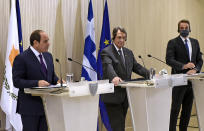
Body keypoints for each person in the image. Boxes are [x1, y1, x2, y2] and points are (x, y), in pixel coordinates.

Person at [100, 27, 149, 131]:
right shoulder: (106, 52)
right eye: (119, 37)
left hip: (125, 96)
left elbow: (137, 67)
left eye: (124, 38)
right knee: (118, 127)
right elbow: (108, 66)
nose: (121, 40)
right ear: (113, 38)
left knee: (121, 125)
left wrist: (151, 74)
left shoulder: (128, 52)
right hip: (112, 96)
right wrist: (114, 77)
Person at [12, 30, 59, 131]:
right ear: (35, 43)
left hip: (47, 106)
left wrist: (59, 81)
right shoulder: (22, 58)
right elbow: (17, 81)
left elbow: (51, 77)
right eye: (45, 41)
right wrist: (36, 83)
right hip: (30, 107)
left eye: (48, 41)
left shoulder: (48, 56)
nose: (48, 44)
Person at [166, 19, 203, 131]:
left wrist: (196, 69)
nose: (184, 30)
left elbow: (199, 60)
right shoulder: (172, 42)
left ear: (189, 28)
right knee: (175, 110)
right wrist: (184, 66)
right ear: (178, 29)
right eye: (181, 28)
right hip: (178, 81)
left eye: (186, 28)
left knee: (187, 111)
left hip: (192, 82)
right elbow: (169, 60)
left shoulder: (195, 42)